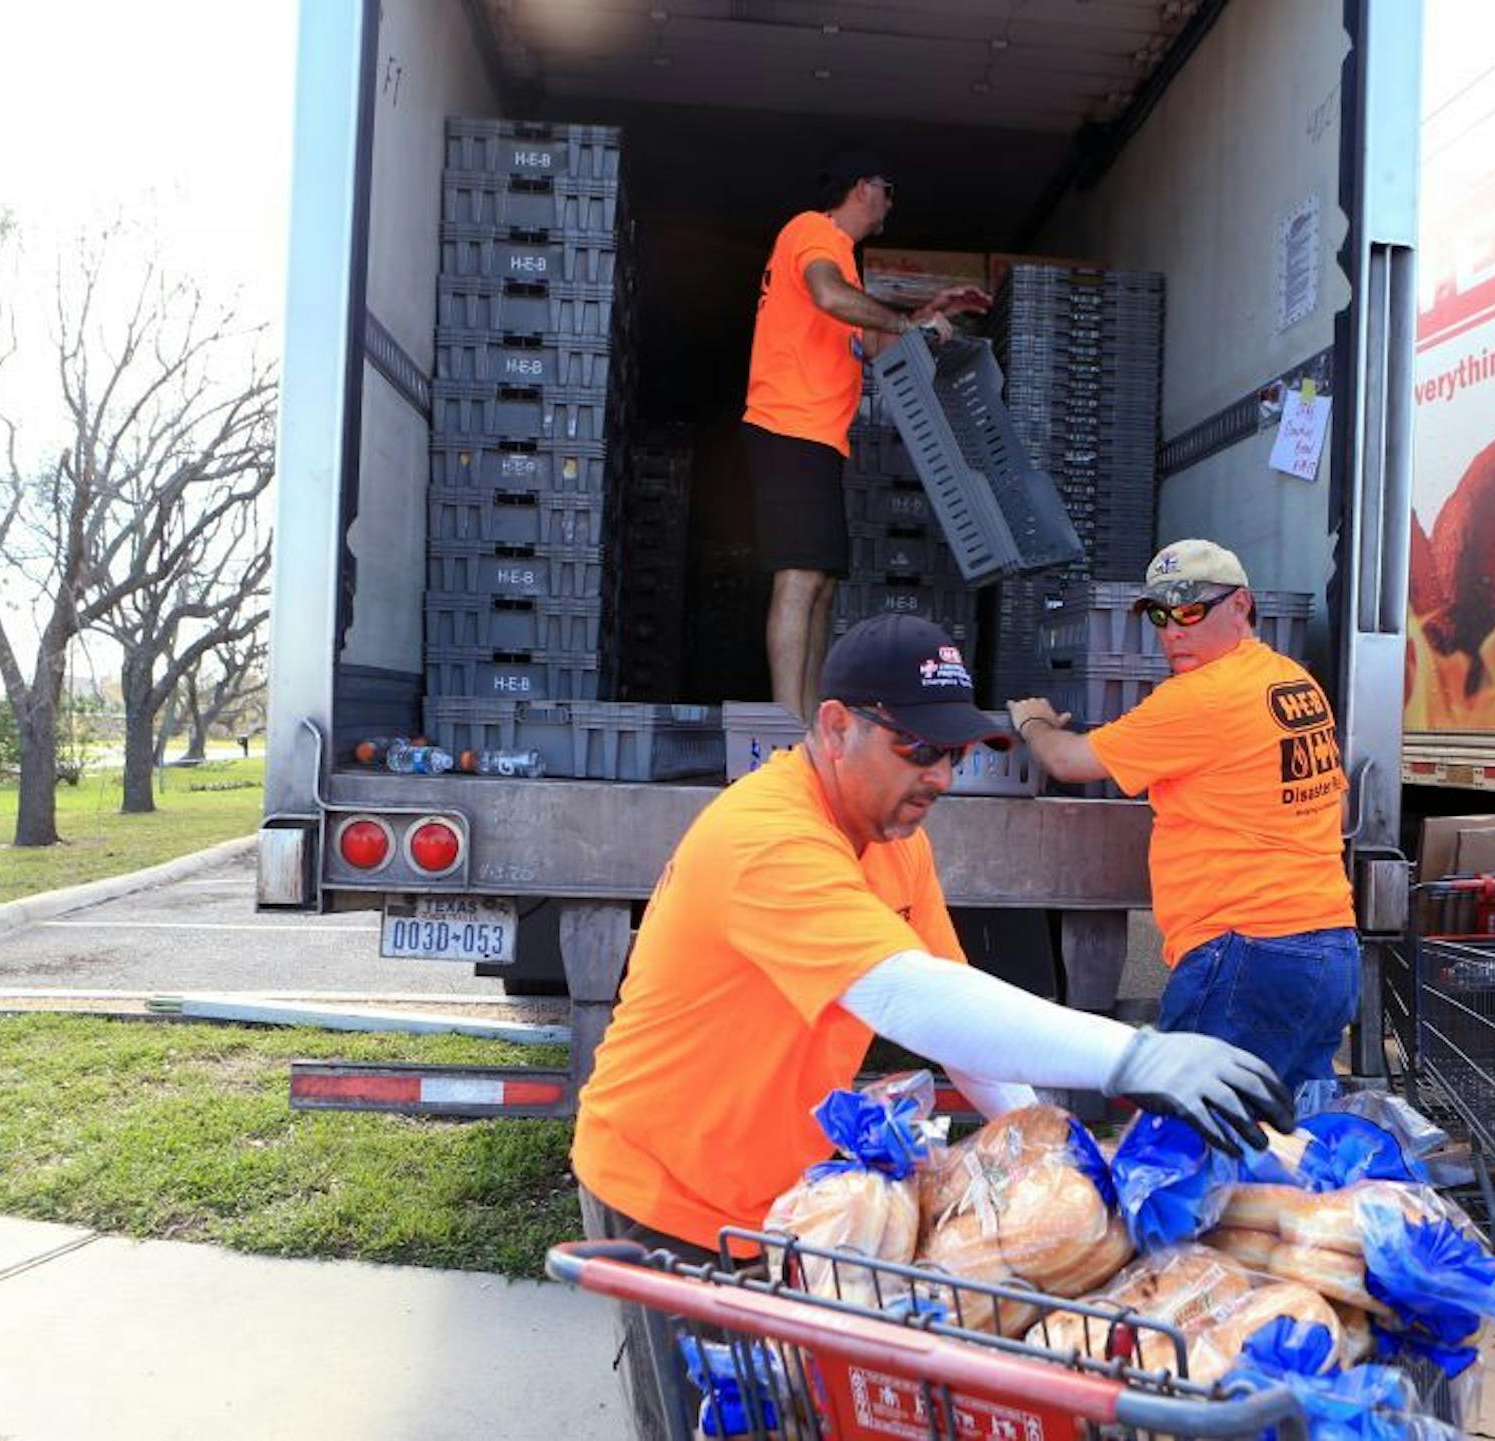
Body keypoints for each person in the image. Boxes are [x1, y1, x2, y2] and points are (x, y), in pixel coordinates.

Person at [572, 613, 1293, 1438]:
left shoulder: (892, 836)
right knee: (719, 1423)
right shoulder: (766, 837)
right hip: (670, 1192)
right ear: (837, 727)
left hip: (777, 1202)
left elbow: (955, 1006)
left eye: (955, 753)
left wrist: (1053, 1155)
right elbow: (904, 995)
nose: (944, 775)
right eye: (920, 748)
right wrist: (1133, 1054)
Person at [1010, 539, 1359, 1104]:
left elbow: (1068, 762)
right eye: (1159, 614)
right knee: (1292, 1150)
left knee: (1188, 1150)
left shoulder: (1201, 698)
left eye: (1192, 610)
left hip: (1246, 955)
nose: (1174, 630)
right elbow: (1335, 808)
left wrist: (1034, 722)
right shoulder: (1293, 683)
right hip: (1330, 951)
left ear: (1241, 606)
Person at [742, 149, 989, 719]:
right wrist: (908, 320)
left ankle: (804, 723)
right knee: (800, 576)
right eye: (888, 190)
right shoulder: (813, 232)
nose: (890, 205)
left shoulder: (847, 265)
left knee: (822, 583)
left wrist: (928, 311)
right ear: (861, 187)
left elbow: (873, 343)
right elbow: (830, 297)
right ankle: (788, 725)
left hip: (820, 436)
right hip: (788, 424)